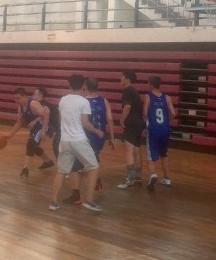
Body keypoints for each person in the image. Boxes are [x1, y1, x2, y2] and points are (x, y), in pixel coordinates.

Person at [50, 74, 105, 212]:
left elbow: (61, 120)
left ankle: (54, 202)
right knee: (94, 167)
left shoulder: (63, 100)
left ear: (69, 85)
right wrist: (97, 131)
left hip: (64, 140)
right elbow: (85, 123)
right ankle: (89, 200)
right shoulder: (83, 101)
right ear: (83, 86)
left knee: (61, 172)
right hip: (78, 140)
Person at [63, 77, 115, 205]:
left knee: (75, 166)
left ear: (85, 87)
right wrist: (112, 137)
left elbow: (81, 121)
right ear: (98, 86)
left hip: (85, 137)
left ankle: (77, 196)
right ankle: (97, 183)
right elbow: (109, 119)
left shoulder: (82, 101)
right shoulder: (104, 101)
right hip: (100, 138)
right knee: (94, 160)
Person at [3, 87, 54, 178]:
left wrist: (43, 131)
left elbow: (46, 114)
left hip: (43, 127)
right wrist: (9, 135)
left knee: (30, 143)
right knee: (33, 145)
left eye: (18, 98)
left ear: (24, 96)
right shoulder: (20, 108)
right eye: (15, 99)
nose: (16, 101)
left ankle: (25, 169)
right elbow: (19, 123)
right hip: (35, 129)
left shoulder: (33, 104)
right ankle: (48, 161)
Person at [143, 75, 176, 191]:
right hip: (165, 130)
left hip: (153, 130)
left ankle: (153, 175)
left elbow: (145, 113)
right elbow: (173, 113)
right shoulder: (167, 98)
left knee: (151, 155)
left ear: (151, 84)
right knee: (164, 154)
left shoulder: (148, 97)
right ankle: (167, 178)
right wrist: (167, 121)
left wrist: (145, 125)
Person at [117, 70, 145, 189]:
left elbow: (127, 107)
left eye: (121, 77)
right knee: (137, 150)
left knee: (129, 151)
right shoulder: (135, 91)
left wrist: (121, 120)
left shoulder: (127, 90)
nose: (120, 79)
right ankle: (138, 177)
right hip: (139, 123)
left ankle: (130, 179)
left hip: (131, 124)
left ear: (127, 78)